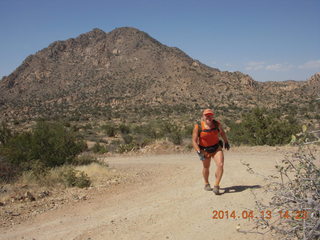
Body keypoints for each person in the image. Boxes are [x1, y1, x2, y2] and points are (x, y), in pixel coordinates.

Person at [192, 109, 230, 195]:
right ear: (203, 116)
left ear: (213, 116)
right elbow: (194, 141)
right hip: (204, 150)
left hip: (216, 148)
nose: (209, 117)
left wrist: (226, 141)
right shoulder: (198, 126)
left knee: (220, 164)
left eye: (210, 115)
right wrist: (198, 151)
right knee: (206, 167)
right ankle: (206, 183)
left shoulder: (217, 124)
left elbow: (222, 133)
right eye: (206, 115)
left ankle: (216, 185)